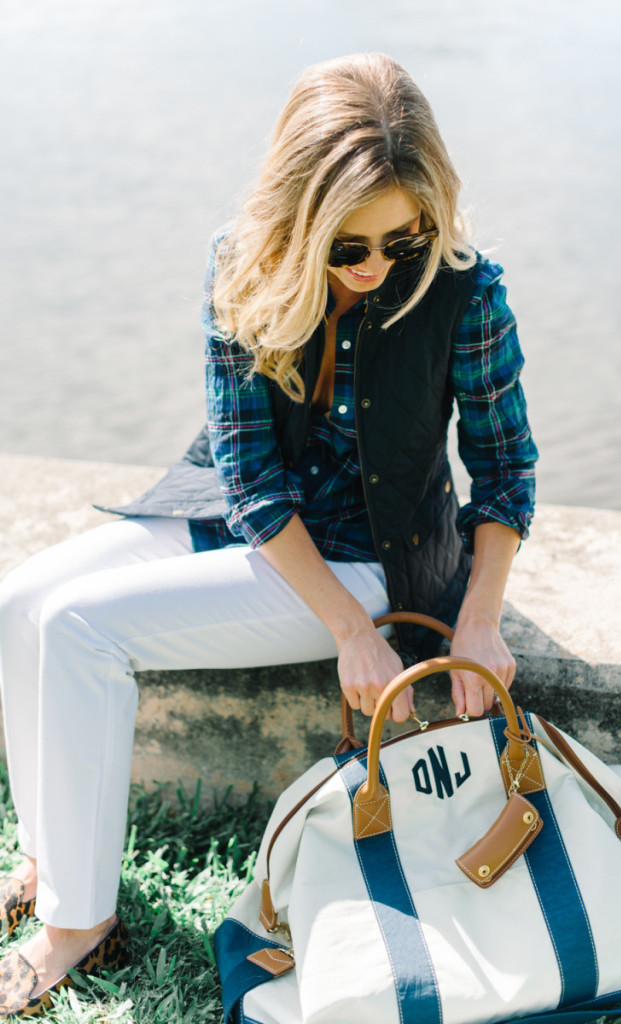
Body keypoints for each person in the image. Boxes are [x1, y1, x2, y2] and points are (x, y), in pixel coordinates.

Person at [0, 52, 536, 1016]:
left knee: (83, 630)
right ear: (296, 218)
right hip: (249, 528)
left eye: (401, 241)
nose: (376, 268)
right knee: (22, 602)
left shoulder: (465, 289)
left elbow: (504, 473)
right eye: (347, 248)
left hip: (378, 561)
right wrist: (342, 632)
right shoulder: (237, 259)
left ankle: (78, 924)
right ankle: (52, 859)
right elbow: (247, 477)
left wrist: (472, 620)